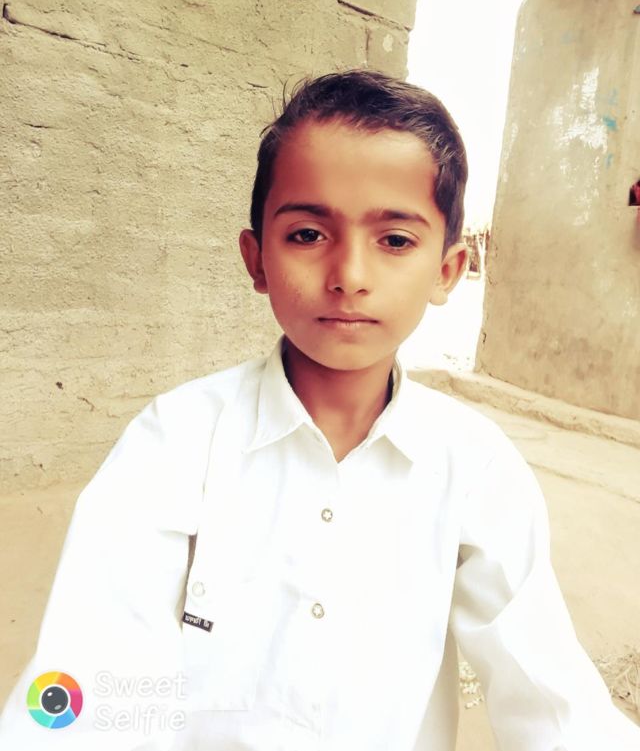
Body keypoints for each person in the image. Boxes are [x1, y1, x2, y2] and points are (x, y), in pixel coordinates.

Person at [1, 69, 638, 751]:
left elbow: (553, 701)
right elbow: (89, 676)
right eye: (308, 234)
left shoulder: (474, 468)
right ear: (256, 260)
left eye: (395, 240)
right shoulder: (175, 441)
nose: (350, 276)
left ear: (447, 271)